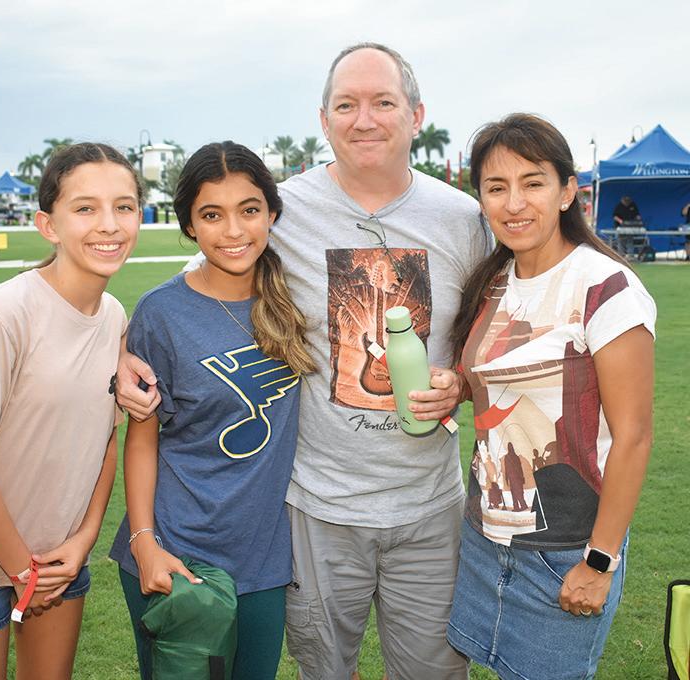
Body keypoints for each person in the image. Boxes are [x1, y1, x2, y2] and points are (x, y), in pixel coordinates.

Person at [117, 43, 491, 679]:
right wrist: (120, 344)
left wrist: (459, 383)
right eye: (346, 105)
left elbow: (493, 335)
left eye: (383, 102)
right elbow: (195, 283)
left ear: (417, 114)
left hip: (429, 509)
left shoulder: (463, 220)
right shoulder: (281, 210)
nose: (363, 119)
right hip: (318, 511)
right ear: (324, 120)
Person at [435, 113, 655, 679]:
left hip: (567, 549)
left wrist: (599, 562)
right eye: (496, 187)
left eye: (532, 182)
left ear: (566, 192)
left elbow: (633, 436)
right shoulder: (493, 282)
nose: (514, 203)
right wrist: (458, 387)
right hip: (486, 534)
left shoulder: (606, 288)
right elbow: (500, 377)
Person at [0, 142, 141, 680]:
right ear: (48, 225)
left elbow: (104, 442)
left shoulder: (115, 316)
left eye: (125, 206)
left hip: (60, 558)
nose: (109, 224)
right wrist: (23, 571)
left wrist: (83, 540)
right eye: (85, 208)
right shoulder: (4, 313)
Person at [109, 141, 314, 680]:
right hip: (175, 549)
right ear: (189, 226)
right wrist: (145, 544)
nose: (234, 230)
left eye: (249, 210)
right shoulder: (161, 312)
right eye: (212, 215)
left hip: (263, 556)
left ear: (272, 214)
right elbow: (142, 437)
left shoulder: (297, 299)